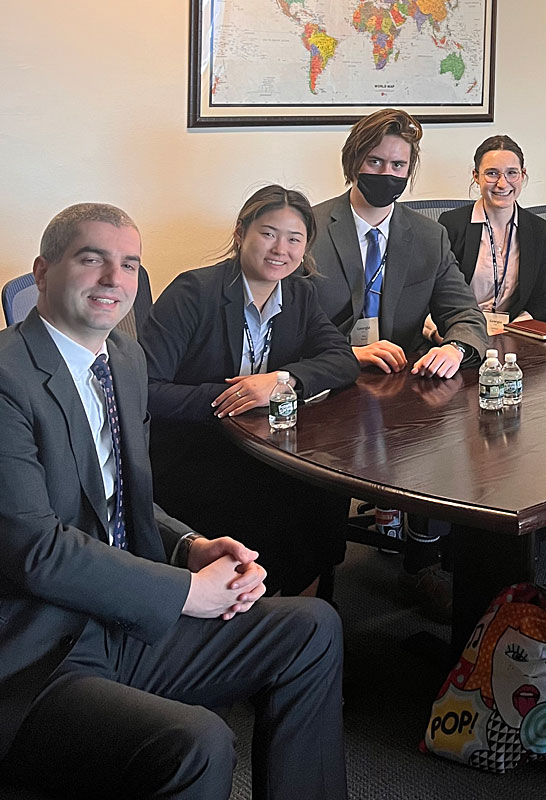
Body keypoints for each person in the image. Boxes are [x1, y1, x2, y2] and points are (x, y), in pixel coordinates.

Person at [0, 203, 345, 799]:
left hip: (121, 618)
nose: (114, 279)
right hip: (40, 650)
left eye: (129, 264)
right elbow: (36, 551)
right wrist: (188, 592)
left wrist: (189, 547)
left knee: (313, 626)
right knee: (195, 741)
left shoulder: (124, 361)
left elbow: (123, 500)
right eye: (92, 260)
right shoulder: (9, 377)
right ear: (42, 271)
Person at [142, 186, 360, 598]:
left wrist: (279, 382)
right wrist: (236, 400)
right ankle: (247, 611)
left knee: (326, 486)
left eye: (294, 239)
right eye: (268, 234)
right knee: (272, 497)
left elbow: (342, 360)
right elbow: (146, 389)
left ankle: (301, 611)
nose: (281, 249)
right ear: (241, 233)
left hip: (267, 444)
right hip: (194, 448)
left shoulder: (298, 293)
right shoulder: (193, 293)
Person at [310, 107, 489, 377]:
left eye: (397, 165)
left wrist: (455, 348)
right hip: (326, 378)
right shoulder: (309, 230)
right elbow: (287, 327)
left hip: (403, 378)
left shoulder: (430, 236)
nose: (386, 174)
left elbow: (465, 313)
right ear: (353, 161)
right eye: (375, 162)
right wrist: (349, 354)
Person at [437, 135, 546, 330]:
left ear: (523, 175)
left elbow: (542, 300)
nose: (502, 183)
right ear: (476, 176)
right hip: (461, 331)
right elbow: (438, 295)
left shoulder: (539, 230)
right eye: (492, 173)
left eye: (512, 173)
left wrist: (515, 332)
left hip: (515, 335)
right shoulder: (451, 224)